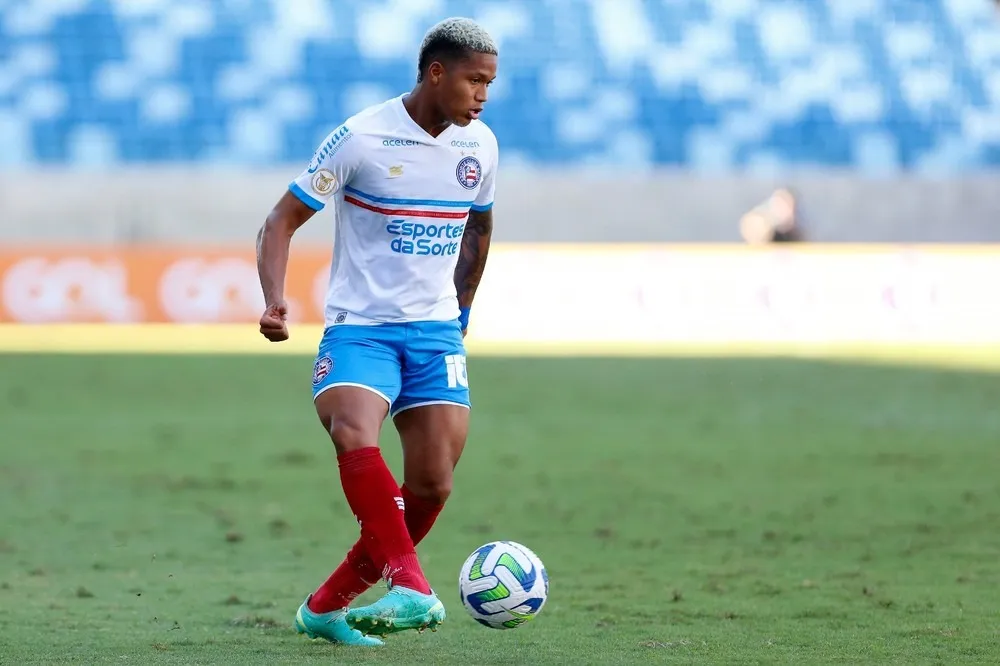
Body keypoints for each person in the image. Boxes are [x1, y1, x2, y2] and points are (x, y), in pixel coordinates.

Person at [254, 17, 499, 646]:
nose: (483, 95)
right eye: (474, 80)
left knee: (432, 484)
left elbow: (477, 230)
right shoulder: (361, 138)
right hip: (359, 329)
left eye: (490, 84)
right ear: (435, 72)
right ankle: (412, 587)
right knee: (352, 431)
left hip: (436, 334)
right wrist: (276, 301)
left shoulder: (481, 148)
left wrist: (461, 315)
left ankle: (324, 607)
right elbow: (279, 222)